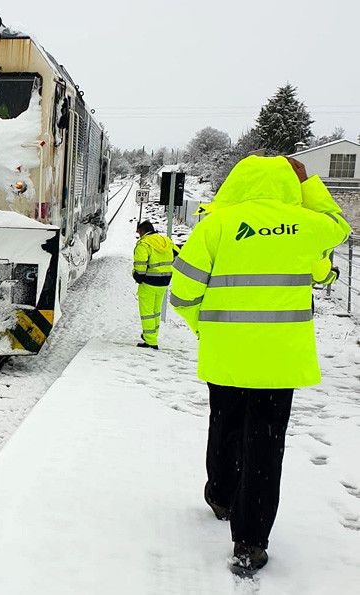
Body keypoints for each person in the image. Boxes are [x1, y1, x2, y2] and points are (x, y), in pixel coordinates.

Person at [169, 155, 351, 574]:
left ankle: (220, 495)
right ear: (289, 184)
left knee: (226, 425)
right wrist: (307, 185)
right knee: (266, 447)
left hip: (227, 356)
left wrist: (208, 329)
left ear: (237, 182)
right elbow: (338, 225)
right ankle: (249, 543)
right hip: (279, 362)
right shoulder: (304, 226)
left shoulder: (215, 225)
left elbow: (182, 294)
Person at [132, 220, 177, 349]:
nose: (138, 235)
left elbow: (140, 271)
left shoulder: (143, 244)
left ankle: (150, 341)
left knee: (147, 313)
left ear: (142, 231)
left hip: (149, 283)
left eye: (138, 232)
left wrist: (136, 276)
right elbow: (178, 254)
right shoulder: (166, 240)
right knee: (156, 312)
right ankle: (152, 335)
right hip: (164, 283)